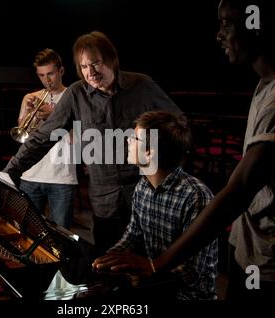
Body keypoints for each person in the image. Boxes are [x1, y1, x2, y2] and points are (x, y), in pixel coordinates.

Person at [98, 0, 275, 301]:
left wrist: (158, 264)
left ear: (256, 26)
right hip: (261, 248)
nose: (218, 35)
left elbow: (239, 191)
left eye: (227, 24)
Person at [5, 31, 182, 256]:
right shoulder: (76, 93)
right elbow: (42, 137)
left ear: (111, 59)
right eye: (84, 66)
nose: (91, 72)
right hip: (103, 200)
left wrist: (158, 158)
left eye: (96, 63)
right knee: (107, 264)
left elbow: (178, 123)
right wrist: (10, 171)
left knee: (148, 264)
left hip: (145, 195)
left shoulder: (142, 84)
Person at [92, 111, 218, 300]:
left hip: (186, 295)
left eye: (134, 138)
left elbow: (194, 271)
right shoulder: (143, 185)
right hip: (155, 284)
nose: (128, 141)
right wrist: (109, 258)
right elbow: (134, 233)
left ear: (150, 152)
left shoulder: (195, 196)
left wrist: (148, 267)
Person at [16, 48, 77, 229]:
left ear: (61, 71)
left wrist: (53, 116)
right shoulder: (31, 97)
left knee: (62, 237)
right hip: (30, 175)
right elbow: (21, 136)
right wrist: (28, 113)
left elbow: (79, 139)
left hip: (62, 178)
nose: (46, 80)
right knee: (28, 233)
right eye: (42, 75)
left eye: (50, 74)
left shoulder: (74, 97)